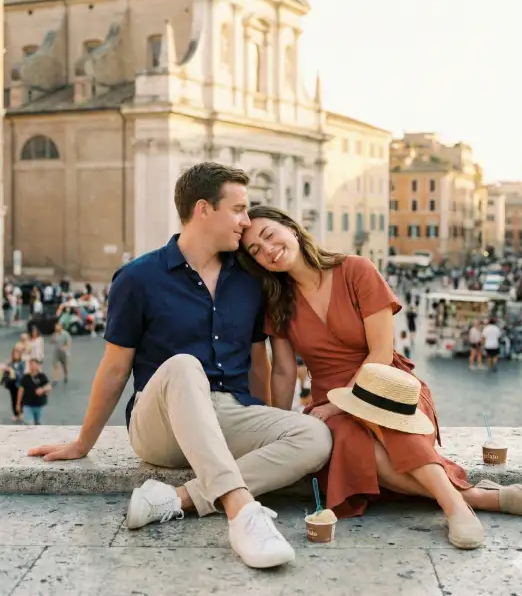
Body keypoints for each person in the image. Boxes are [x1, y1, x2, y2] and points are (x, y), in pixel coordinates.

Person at [27, 162, 331, 570]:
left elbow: (259, 360)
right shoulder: (138, 278)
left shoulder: (248, 279)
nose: (246, 221)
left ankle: (176, 499)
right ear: (204, 209)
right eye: (239, 209)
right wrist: (84, 442)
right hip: (161, 423)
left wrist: (268, 423)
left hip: (229, 415)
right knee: (186, 366)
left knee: (315, 436)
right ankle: (242, 513)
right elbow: (116, 367)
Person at [238, 205, 522, 551]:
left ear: (291, 228)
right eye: (255, 251)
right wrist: (279, 423)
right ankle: (475, 496)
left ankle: (456, 506)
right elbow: (284, 370)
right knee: (353, 442)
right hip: (327, 401)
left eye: (268, 235)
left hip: (385, 383)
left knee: (389, 426)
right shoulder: (277, 301)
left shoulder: (356, 269)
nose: (268, 250)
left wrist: (340, 406)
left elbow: (381, 351)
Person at [16, 358, 51, 425]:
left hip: (40, 405)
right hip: (27, 405)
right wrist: (18, 404)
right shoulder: (25, 377)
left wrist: (42, 389)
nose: (31, 366)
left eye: (33, 364)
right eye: (30, 365)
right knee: (29, 424)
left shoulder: (42, 376)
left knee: (40, 425)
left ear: (38, 366)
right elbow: (20, 391)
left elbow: (49, 387)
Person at [1, 347, 26, 421]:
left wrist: (12, 370)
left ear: (19, 355)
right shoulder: (10, 363)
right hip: (12, 385)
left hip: (19, 384)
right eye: (14, 354)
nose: (15, 355)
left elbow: (21, 375)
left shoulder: (21, 363)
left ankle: (20, 412)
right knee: (13, 399)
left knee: (20, 399)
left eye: (17, 354)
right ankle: (15, 414)